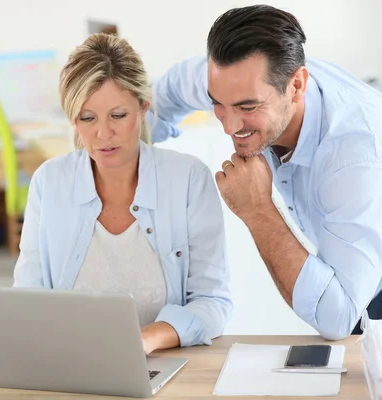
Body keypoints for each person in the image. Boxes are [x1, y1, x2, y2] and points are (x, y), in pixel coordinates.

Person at [147, 4, 382, 340]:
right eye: (217, 103)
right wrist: (130, 148)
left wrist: (258, 210)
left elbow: (338, 316)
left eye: (247, 107)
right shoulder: (233, 77)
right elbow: (169, 91)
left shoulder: (354, 158)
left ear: (297, 85)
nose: (229, 125)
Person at [13, 33, 232, 353]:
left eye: (118, 115)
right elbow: (27, 298)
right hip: (69, 364)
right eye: (87, 118)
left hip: (162, 364)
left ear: (143, 108)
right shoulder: (49, 182)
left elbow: (213, 302)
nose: (103, 134)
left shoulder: (188, 179)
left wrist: (147, 339)